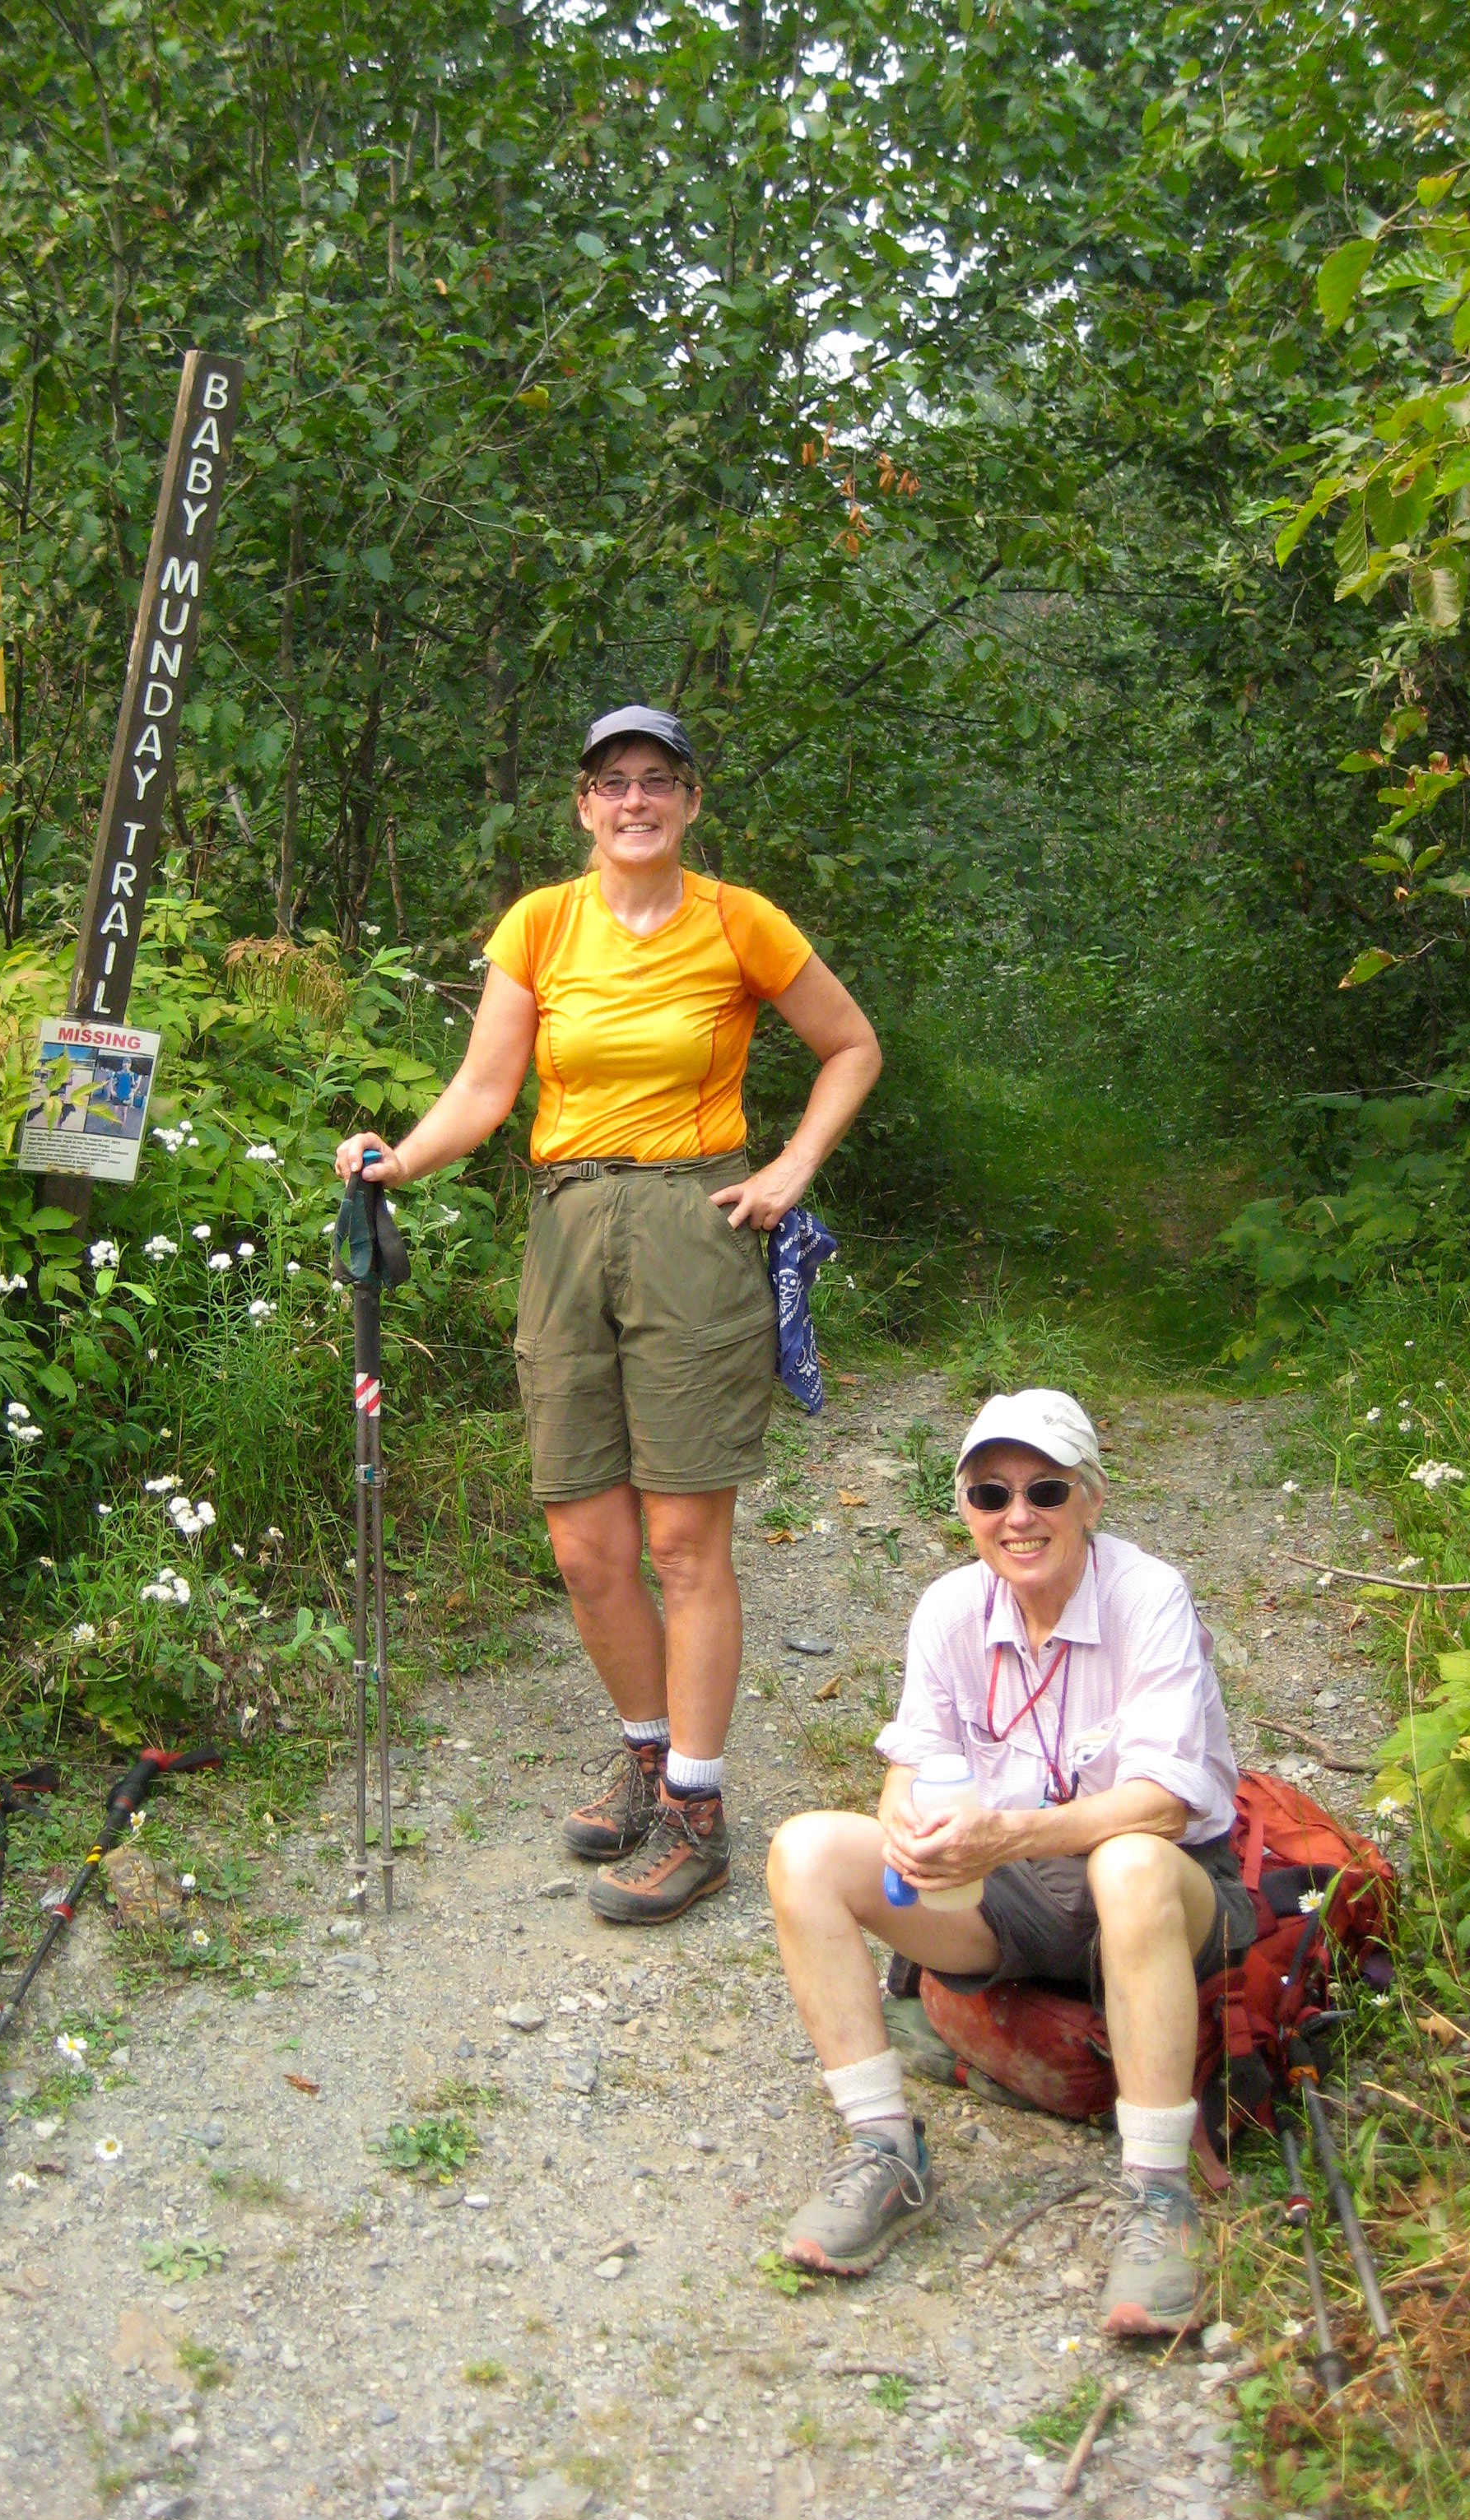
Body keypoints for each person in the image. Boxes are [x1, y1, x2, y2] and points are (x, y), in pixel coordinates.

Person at [333, 705, 881, 1924]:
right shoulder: (541, 923)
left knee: (685, 1545)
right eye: (612, 783)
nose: (635, 802)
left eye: (657, 782)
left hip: (698, 1224)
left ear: (689, 803)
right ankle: (643, 1756)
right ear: (584, 807)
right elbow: (486, 1086)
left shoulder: (742, 923)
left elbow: (850, 1047)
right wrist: (399, 1164)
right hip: (568, 1221)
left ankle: (699, 1807)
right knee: (585, 1543)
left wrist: (791, 1168)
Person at [766, 1388, 1254, 2335]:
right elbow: (913, 1765)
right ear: (966, 1509)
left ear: (1092, 1500)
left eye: (1046, 1490)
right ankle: (884, 2147)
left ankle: (1159, 2194)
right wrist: (907, 1831)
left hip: (1167, 1894)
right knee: (807, 1851)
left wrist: (1007, 1835)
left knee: (1130, 1865)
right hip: (1011, 1894)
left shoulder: (1147, 1595)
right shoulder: (951, 1608)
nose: (1018, 1517)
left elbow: (1162, 1805)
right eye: (991, 1493)